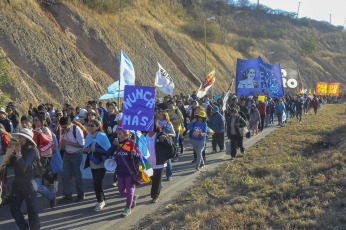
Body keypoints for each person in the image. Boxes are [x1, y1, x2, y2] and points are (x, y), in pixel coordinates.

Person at [105, 127, 141, 217]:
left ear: (126, 135)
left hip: (130, 172)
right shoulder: (117, 144)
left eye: (120, 134)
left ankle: (128, 208)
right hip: (119, 172)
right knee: (121, 190)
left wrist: (135, 154)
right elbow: (107, 154)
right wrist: (114, 145)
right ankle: (132, 197)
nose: (118, 136)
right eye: (117, 134)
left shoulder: (131, 143)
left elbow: (140, 157)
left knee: (129, 190)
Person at [10, 129, 40, 230]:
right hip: (18, 184)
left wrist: (18, 153)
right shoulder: (18, 149)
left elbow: (24, 167)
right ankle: (24, 227)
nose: (19, 139)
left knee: (32, 211)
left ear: (27, 139)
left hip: (29, 184)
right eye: (19, 136)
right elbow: (9, 165)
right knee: (14, 209)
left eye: (22, 137)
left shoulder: (32, 151)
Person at [83, 119, 111, 211]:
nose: (90, 127)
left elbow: (108, 150)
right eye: (89, 126)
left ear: (98, 126)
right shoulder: (89, 137)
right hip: (92, 163)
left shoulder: (102, 136)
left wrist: (96, 150)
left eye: (92, 125)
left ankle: (100, 201)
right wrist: (86, 150)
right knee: (97, 183)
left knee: (96, 183)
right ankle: (102, 200)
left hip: (102, 163)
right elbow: (85, 148)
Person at [58, 117, 85, 204]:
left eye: (65, 127)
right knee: (65, 175)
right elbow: (60, 142)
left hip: (77, 154)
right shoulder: (62, 131)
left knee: (77, 175)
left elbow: (81, 145)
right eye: (62, 127)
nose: (63, 129)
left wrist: (68, 143)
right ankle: (67, 195)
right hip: (67, 154)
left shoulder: (76, 130)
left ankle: (80, 194)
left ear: (70, 124)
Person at [146, 121, 171, 203]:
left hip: (159, 161)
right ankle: (159, 186)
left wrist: (164, 139)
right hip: (149, 162)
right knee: (152, 178)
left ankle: (155, 196)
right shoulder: (144, 135)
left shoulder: (160, 134)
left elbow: (169, 143)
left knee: (156, 179)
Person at [156, 110, 175, 181]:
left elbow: (173, 134)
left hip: (167, 144)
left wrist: (167, 135)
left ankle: (169, 175)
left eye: (161, 114)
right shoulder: (156, 123)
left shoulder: (168, 124)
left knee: (168, 160)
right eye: (159, 114)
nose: (159, 115)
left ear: (164, 116)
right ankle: (156, 176)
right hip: (158, 143)